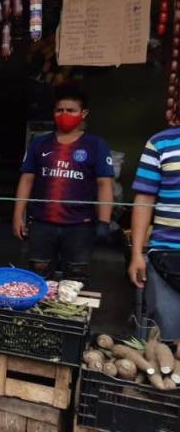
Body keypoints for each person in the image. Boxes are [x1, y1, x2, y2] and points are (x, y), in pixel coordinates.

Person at [13, 86, 114, 281]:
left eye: (71, 110)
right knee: (38, 277)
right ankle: (39, 311)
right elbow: (26, 180)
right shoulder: (39, 143)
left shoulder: (96, 145)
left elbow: (104, 184)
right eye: (60, 110)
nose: (64, 114)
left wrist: (104, 221)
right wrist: (18, 215)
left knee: (75, 279)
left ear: (83, 114)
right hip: (42, 224)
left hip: (80, 226)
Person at [128, 125, 180, 339]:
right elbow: (144, 200)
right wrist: (136, 253)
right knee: (165, 337)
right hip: (165, 257)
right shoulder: (160, 143)